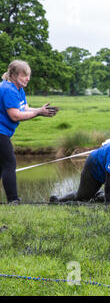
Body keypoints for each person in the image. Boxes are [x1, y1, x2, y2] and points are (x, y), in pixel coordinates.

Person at [0, 60, 58, 205]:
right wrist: (38, 112)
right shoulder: (8, 90)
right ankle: (13, 200)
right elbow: (15, 115)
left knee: (2, 165)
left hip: (4, 131)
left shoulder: (19, 89)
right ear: (13, 75)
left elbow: (24, 108)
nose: (28, 79)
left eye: (29, 75)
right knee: (9, 163)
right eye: (24, 75)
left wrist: (41, 110)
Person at [50, 122, 110, 204]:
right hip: (95, 168)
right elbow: (109, 182)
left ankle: (99, 196)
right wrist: (108, 204)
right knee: (83, 198)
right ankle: (57, 200)